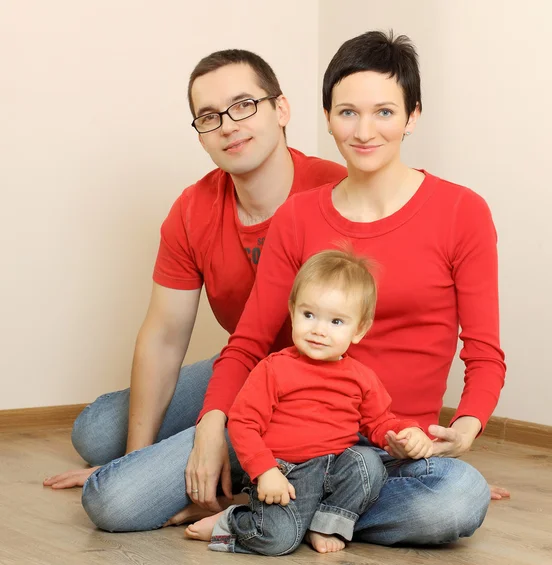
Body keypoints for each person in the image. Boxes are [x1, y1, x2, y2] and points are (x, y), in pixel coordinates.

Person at [183, 30, 508, 545]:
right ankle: (297, 505)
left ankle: (277, 510)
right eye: (347, 112)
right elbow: (247, 344)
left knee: (458, 498)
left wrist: (468, 425)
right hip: (283, 434)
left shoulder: (461, 212)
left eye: (384, 112)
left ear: (412, 116)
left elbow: (485, 352)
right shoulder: (300, 215)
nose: (364, 131)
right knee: (114, 501)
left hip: (387, 446)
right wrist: (210, 426)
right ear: (328, 116)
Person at [43, 49, 345, 491]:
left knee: (118, 496)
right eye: (209, 116)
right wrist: (135, 458)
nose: (228, 125)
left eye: (244, 105)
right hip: (244, 366)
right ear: (201, 135)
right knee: (97, 432)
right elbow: (164, 336)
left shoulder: (335, 189)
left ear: (281, 108)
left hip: (321, 378)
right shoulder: (192, 209)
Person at [188, 249, 433, 555]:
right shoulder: (274, 369)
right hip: (286, 473)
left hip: (335, 472)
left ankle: (324, 524)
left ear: (359, 330)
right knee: (278, 541)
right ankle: (230, 521)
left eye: (336, 321)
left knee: (369, 465)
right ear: (292, 312)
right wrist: (265, 472)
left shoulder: (360, 376)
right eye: (308, 315)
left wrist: (406, 433)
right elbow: (243, 423)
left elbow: (380, 422)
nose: (319, 329)